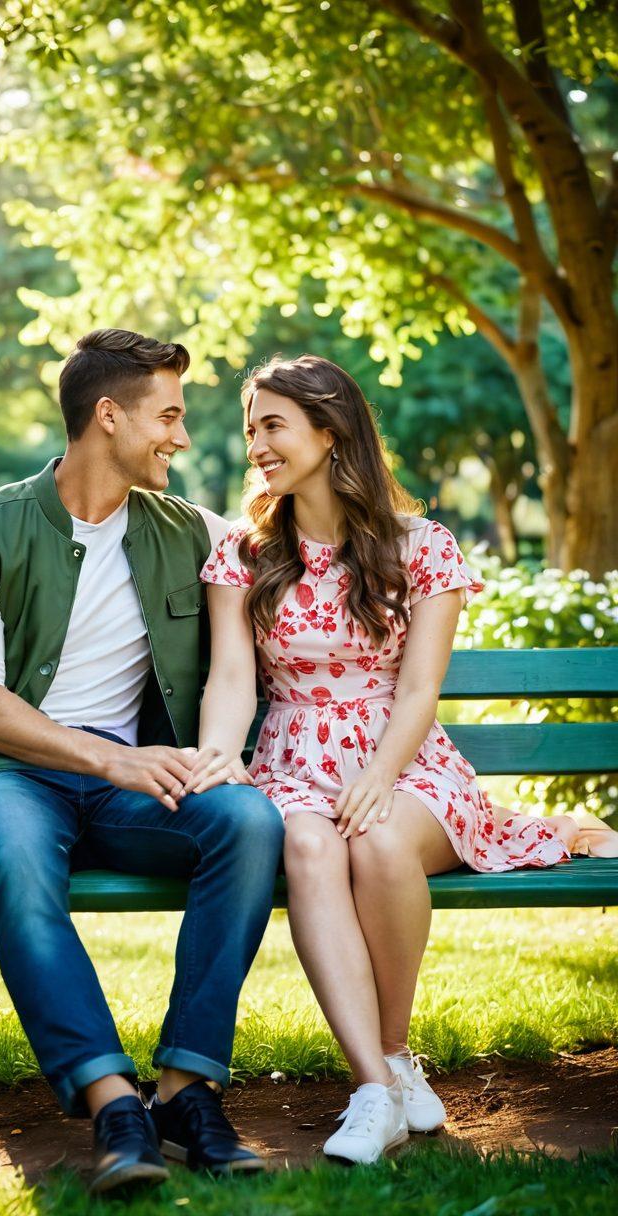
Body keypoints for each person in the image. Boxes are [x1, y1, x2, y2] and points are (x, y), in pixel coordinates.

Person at [184, 353, 618, 1166]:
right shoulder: (243, 554)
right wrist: (219, 757)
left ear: (329, 429)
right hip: (291, 762)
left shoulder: (422, 545)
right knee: (310, 844)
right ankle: (377, 1090)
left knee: (378, 840)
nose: (257, 446)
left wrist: (379, 776)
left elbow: (420, 690)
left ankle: (393, 1051)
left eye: (272, 426)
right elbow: (233, 681)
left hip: (404, 761)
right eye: (251, 430)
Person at [0, 329, 284, 1195]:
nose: (182, 438)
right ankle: (113, 1101)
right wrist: (109, 762)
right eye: (168, 416)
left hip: (129, 779)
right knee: (17, 858)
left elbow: (314, 543)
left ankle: (188, 1093)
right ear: (107, 416)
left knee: (247, 820)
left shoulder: (193, 530)